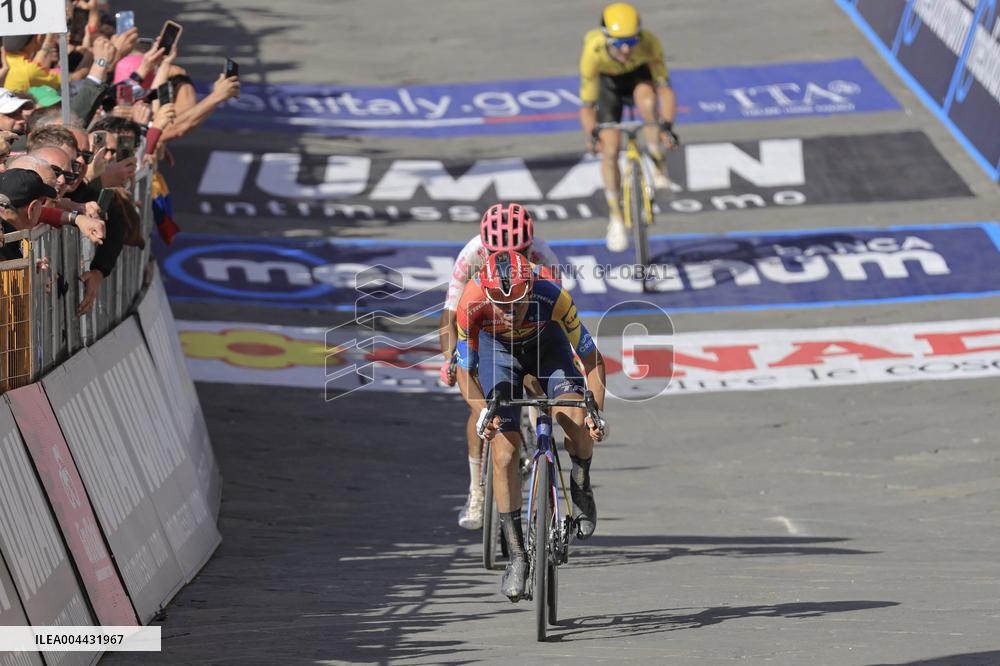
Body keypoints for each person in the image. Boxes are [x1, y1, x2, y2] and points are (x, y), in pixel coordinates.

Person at [455, 250, 608, 601]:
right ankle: (517, 554)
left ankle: (581, 482)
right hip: (497, 354)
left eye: (518, 304)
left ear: (530, 290)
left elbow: (592, 360)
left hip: (547, 348)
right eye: (501, 306)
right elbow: (465, 371)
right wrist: (482, 411)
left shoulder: (552, 294)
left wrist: (594, 412)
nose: (509, 313)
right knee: (505, 452)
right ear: (487, 295)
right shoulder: (471, 301)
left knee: (573, 419)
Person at [438, 203, 561, 530]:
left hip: (526, 319)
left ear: (529, 247)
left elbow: (556, 317)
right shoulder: (470, 255)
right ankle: (476, 489)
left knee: (538, 379)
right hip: (481, 319)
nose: (510, 258)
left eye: (520, 252)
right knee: (479, 403)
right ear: (485, 247)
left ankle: (538, 442)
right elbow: (449, 317)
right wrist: (451, 357)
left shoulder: (543, 257)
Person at [578, 2, 679, 252]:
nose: (625, 49)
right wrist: (593, 135)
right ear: (606, 38)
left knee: (648, 103)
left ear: (639, 37)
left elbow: (665, 89)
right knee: (610, 150)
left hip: (638, 78)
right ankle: (615, 217)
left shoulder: (650, 43)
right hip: (608, 86)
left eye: (631, 42)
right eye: (618, 43)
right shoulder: (593, 52)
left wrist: (666, 126)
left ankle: (658, 169)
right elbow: (587, 105)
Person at [0, 169, 57, 260]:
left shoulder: (9, 227)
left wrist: (33, 268)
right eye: (43, 202)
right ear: (32, 208)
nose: (43, 208)